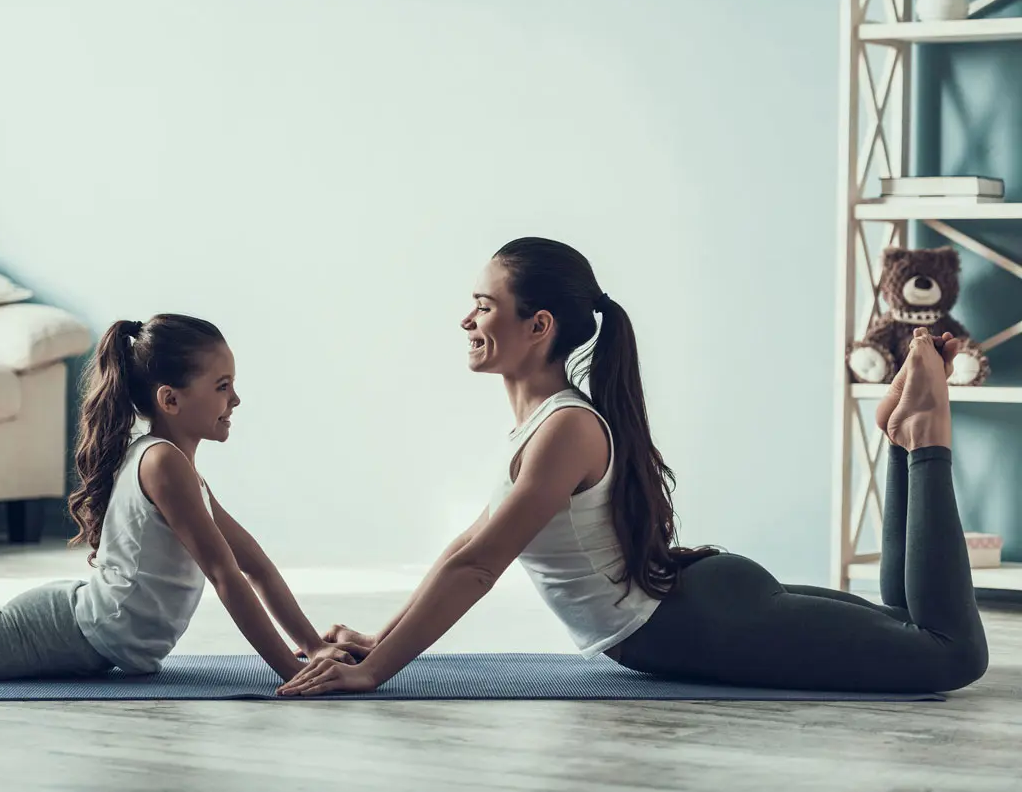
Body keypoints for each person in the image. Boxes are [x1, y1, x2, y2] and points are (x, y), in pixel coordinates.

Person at [277, 237, 989, 697]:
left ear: (538, 326)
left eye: (484, 306)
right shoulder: (544, 424)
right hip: (704, 601)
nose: (467, 320)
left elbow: (477, 569)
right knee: (908, 624)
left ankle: (923, 436)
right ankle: (905, 437)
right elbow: (465, 547)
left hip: (697, 622)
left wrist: (378, 669)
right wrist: (380, 637)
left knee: (948, 656)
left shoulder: (564, 429)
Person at [0, 315, 356, 681]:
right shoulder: (163, 464)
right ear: (170, 400)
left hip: (73, 627)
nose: (235, 399)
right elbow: (224, 575)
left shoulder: (179, 469)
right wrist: (291, 670)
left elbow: (255, 567)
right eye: (222, 386)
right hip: (62, 632)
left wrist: (311, 646)